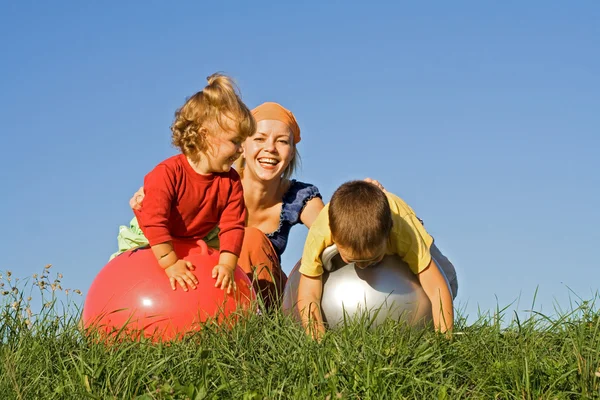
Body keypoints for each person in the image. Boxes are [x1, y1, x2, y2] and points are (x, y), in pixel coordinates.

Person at [121, 101, 328, 310]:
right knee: (249, 237)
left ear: (292, 151)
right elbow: (168, 208)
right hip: (210, 286)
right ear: (243, 147)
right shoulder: (219, 184)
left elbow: (331, 230)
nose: (270, 148)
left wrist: (356, 204)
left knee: (252, 239)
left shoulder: (300, 196)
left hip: (266, 294)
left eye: (282, 141)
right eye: (259, 139)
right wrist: (148, 202)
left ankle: (269, 324)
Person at [129, 72, 255, 294]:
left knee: (214, 268)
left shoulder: (231, 182)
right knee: (131, 268)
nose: (241, 150)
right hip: (151, 233)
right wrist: (170, 263)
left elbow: (232, 226)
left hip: (201, 235)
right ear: (206, 136)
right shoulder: (167, 174)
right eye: (235, 141)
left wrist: (226, 265)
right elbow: (154, 221)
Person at [296, 180, 454, 340]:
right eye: (352, 260)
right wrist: (318, 343)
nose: (363, 266)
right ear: (334, 239)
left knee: (449, 278)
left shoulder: (404, 233)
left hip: (403, 222)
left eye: (373, 258)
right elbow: (308, 294)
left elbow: (437, 289)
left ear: (389, 235)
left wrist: (445, 340)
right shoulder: (320, 232)